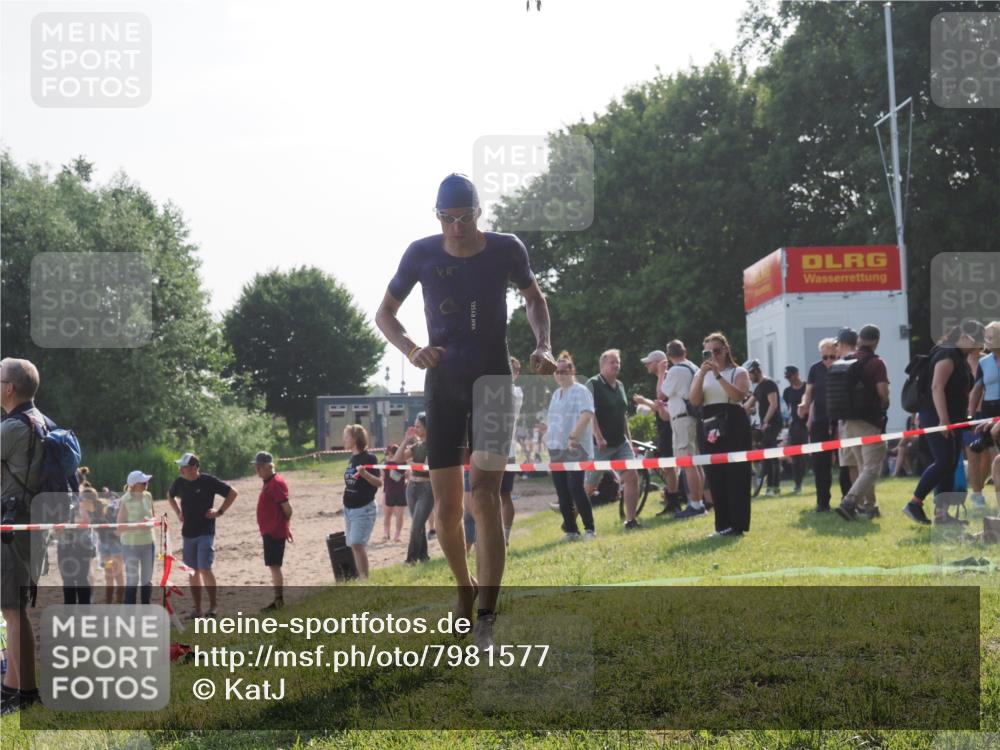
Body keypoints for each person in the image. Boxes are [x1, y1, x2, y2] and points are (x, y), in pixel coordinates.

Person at [375, 173, 556, 649]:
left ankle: (488, 617)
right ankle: (464, 588)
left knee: (486, 495)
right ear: (437, 216)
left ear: (479, 212)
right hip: (444, 386)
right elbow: (384, 314)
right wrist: (412, 349)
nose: (456, 227)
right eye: (447, 218)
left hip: (494, 383)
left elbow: (535, 298)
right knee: (447, 508)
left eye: (464, 217)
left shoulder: (506, 249)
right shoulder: (421, 253)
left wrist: (543, 344)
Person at [903, 322, 981, 525]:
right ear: (964, 336)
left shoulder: (960, 357)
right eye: (975, 340)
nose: (978, 345)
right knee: (944, 461)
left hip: (954, 418)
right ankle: (914, 503)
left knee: (951, 463)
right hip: (937, 416)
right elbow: (937, 387)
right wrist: (943, 420)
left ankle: (942, 514)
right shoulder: (947, 354)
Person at [0, 357, 45, 714]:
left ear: (9, 387)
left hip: (12, 528)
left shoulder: (13, 427)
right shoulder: (39, 420)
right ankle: (12, 689)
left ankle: (25, 694)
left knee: (14, 611)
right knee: (15, 610)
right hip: (27, 525)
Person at [689, 334, 752, 536]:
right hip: (710, 426)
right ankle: (722, 525)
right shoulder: (700, 374)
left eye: (717, 351)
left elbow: (739, 396)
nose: (713, 356)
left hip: (734, 424)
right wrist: (702, 375)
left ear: (726, 350)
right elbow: (695, 401)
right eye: (708, 352)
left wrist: (718, 375)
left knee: (736, 475)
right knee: (715, 476)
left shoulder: (738, 371)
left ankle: (737, 524)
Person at [166, 452, 238, 619]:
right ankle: (197, 609)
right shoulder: (179, 482)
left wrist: (219, 511)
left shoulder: (208, 481)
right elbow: (170, 495)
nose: (181, 470)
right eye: (180, 467)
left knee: (205, 568)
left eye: (184, 467)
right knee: (192, 572)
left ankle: (213, 607)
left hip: (206, 532)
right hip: (188, 534)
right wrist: (178, 512)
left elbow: (232, 492)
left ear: (194, 468)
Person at [834, 325, 890, 521]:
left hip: (847, 422)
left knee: (862, 467)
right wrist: (885, 403)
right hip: (868, 421)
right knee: (872, 468)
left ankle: (870, 506)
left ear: (859, 340)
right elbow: (882, 392)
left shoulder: (845, 360)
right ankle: (849, 502)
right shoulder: (877, 363)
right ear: (876, 340)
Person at [585, 350, 641, 529]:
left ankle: (631, 520)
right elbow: (590, 413)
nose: (616, 365)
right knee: (589, 487)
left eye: (618, 362)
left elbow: (622, 416)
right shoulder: (593, 384)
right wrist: (598, 437)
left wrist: (630, 442)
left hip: (620, 443)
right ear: (602, 365)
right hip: (599, 446)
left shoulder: (620, 385)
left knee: (632, 477)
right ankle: (570, 519)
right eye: (612, 362)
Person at [545, 351, 597, 541]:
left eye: (563, 371)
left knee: (576, 488)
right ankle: (571, 531)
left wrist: (573, 436)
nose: (560, 374)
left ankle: (590, 529)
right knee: (562, 491)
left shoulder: (580, 390)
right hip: (556, 448)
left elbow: (587, 414)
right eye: (557, 372)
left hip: (575, 447)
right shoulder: (556, 394)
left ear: (572, 371)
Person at [661, 340, 706, 519]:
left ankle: (695, 504)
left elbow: (662, 393)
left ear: (668, 355)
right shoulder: (693, 367)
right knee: (696, 462)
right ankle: (699, 502)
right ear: (685, 351)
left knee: (687, 463)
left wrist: (661, 373)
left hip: (682, 419)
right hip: (693, 418)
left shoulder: (675, 370)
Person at [633, 349, 681, 512]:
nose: (646, 365)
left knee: (669, 465)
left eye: (649, 362)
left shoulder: (665, 377)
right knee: (668, 466)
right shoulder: (662, 378)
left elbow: (661, 403)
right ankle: (671, 498)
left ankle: (673, 501)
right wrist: (645, 402)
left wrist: (644, 402)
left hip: (669, 426)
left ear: (658, 363)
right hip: (665, 425)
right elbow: (660, 405)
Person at [798, 338, 838, 511]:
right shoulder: (815, 369)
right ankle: (823, 502)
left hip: (840, 420)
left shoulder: (843, 366)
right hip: (819, 421)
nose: (828, 360)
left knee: (845, 463)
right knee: (820, 463)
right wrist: (804, 405)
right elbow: (808, 393)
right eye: (825, 357)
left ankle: (849, 501)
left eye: (832, 357)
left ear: (837, 354)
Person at [252, 451, 292, 610]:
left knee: (274, 566)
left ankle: (279, 600)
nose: (257, 470)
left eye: (260, 467)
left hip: (274, 531)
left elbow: (287, 508)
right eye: (256, 467)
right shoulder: (269, 482)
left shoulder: (275, 483)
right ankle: (278, 599)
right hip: (271, 530)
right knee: (273, 566)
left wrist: (284, 526)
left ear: (269, 467)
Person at [342, 424, 382, 579]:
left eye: (346, 436)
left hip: (363, 508)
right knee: (353, 545)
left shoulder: (369, 458)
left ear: (355, 438)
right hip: (349, 509)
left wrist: (365, 474)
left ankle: (365, 579)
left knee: (357, 543)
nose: (344, 439)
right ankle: (361, 577)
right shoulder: (352, 459)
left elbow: (378, 482)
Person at [968, 320, 1000, 508]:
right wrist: (971, 416)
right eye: (986, 337)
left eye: (992, 337)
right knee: (990, 453)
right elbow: (977, 390)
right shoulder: (984, 362)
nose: (987, 340)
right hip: (988, 410)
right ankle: (979, 496)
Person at [397, 413, 434, 564]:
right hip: (411, 488)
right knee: (419, 525)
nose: (415, 428)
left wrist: (411, 465)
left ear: (427, 427)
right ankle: (423, 557)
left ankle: (410, 560)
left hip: (426, 488)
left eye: (419, 426)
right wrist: (406, 440)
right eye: (415, 425)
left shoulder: (433, 445)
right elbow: (397, 459)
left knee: (416, 526)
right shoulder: (415, 445)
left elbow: (427, 467)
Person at [117, 470, 156, 605]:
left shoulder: (148, 496)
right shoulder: (125, 500)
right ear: (133, 485)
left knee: (147, 579)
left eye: (147, 481)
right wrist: (139, 524)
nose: (146, 484)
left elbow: (153, 516)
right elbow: (120, 525)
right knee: (132, 579)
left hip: (149, 542)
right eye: (143, 482)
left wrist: (150, 521)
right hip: (130, 544)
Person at [744, 360, 782, 496]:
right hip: (765, 424)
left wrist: (765, 421)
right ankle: (769, 486)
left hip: (772, 423)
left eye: (749, 374)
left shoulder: (769, 384)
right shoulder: (758, 388)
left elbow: (773, 404)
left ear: (755, 371)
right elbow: (747, 405)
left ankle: (774, 487)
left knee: (772, 456)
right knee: (767, 456)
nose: (749, 378)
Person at [56, 484, 95, 605]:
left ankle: (85, 609)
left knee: (82, 578)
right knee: (67, 580)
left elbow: (86, 521)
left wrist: (79, 505)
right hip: (64, 546)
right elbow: (56, 529)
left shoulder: (84, 500)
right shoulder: (59, 505)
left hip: (82, 546)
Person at [834, 327, 860, 500]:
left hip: (846, 420)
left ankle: (856, 501)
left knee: (852, 463)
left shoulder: (840, 365)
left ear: (842, 344)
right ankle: (864, 502)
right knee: (864, 464)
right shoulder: (864, 360)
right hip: (866, 419)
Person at [500, 356, 524, 545]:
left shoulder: (516, 392)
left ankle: (505, 537)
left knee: (504, 495)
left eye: (511, 370)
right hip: (491, 450)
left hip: (506, 452)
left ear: (516, 374)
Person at [92, 488, 125, 603]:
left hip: (115, 544)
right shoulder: (95, 510)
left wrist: (117, 531)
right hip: (104, 545)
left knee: (118, 573)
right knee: (108, 573)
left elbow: (119, 522)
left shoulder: (112, 507)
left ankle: (120, 598)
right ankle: (109, 598)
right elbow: (96, 527)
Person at [782, 365, 807, 494]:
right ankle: (798, 483)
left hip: (808, 424)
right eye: (787, 377)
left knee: (812, 453)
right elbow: (788, 408)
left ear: (796, 374)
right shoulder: (787, 391)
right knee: (796, 456)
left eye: (790, 376)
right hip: (795, 425)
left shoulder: (807, 387)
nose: (789, 379)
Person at [381, 445, 406, 543]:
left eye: (388, 452)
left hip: (391, 491)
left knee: (389, 515)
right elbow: (408, 476)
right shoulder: (403, 463)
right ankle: (395, 535)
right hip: (397, 491)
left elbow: (383, 478)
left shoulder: (386, 464)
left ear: (391, 453)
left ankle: (387, 533)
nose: (387, 454)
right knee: (397, 515)